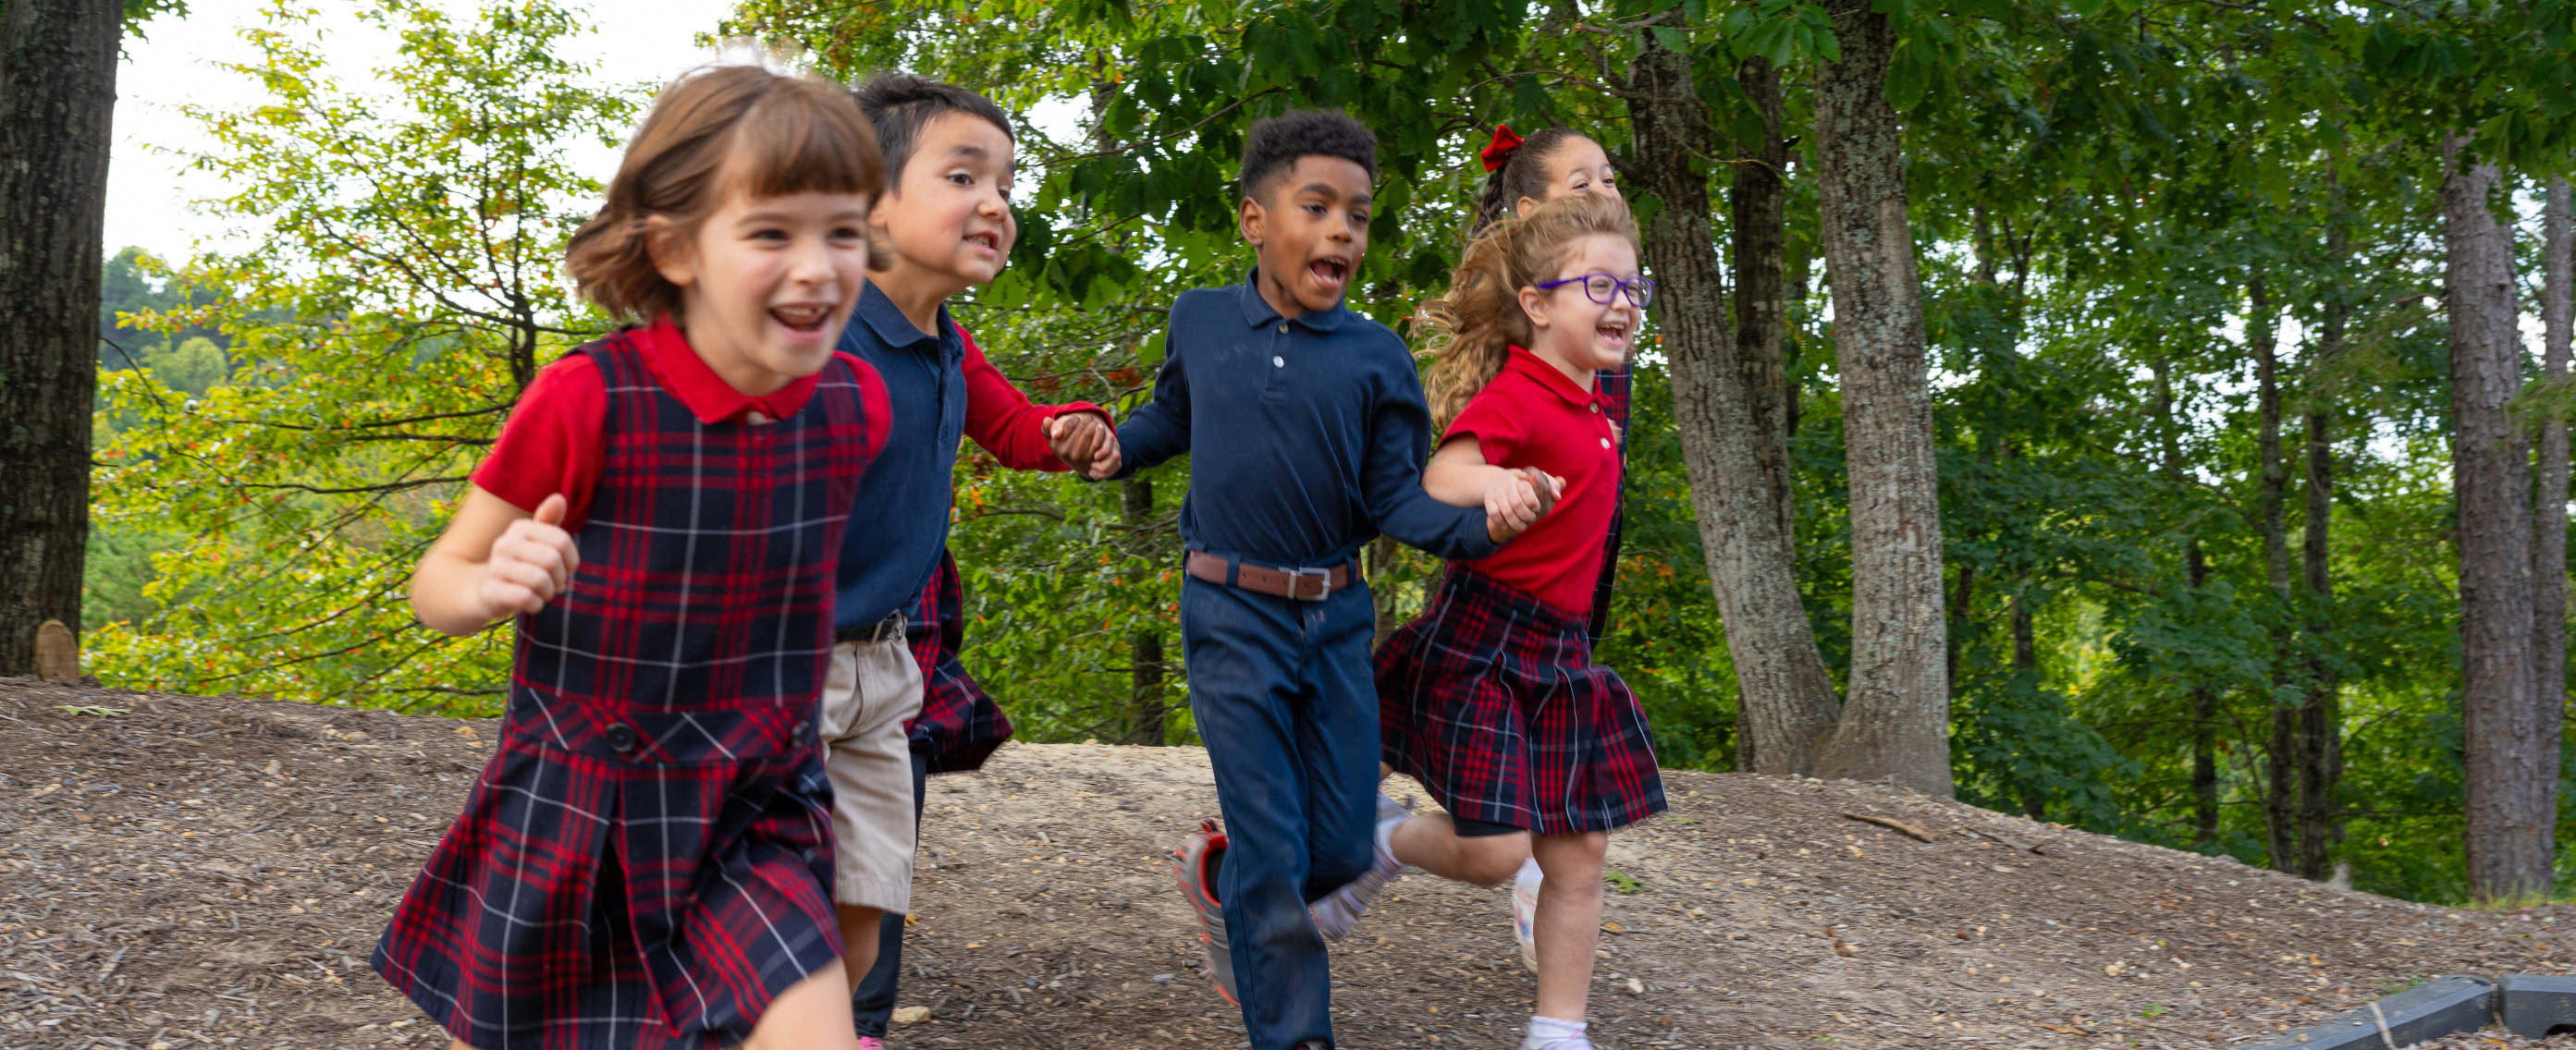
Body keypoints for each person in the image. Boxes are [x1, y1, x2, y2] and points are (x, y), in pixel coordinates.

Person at [373, 66, 893, 1050]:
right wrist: (489, 584)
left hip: (757, 801)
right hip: (584, 805)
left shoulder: (854, 404)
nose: (820, 266)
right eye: (772, 232)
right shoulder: (590, 398)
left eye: (844, 229)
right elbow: (436, 580)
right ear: (676, 246)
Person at [1095, 110, 1552, 1050]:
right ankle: (1294, 1030)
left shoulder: (1375, 358)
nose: (1342, 228)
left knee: (1340, 845)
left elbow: (1398, 501)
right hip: (1226, 611)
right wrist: (1103, 443)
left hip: (1335, 617)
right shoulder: (1201, 318)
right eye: (1318, 206)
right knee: (1272, 842)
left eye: (1359, 214)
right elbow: (1166, 417)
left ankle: (1224, 885)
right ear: (1255, 219)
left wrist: (1485, 523)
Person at [1319, 192, 1670, 1050]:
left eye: (1635, 286)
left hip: (1561, 657)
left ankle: (1559, 1033)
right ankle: (1385, 839)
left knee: (1580, 854)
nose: (1623, 301)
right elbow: (1443, 478)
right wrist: (1498, 487)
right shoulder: (1522, 393)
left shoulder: (1598, 405)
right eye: (1599, 284)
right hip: (1486, 644)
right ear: (1538, 305)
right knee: (1496, 854)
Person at [821, 71, 1120, 1047]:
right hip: (779, 660)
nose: (994, 203)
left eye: (1005, 183)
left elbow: (1016, 430)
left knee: (867, 891)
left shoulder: (948, 342)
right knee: (758, 894)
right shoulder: (816, 336)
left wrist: (1068, 429)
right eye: (961, 176)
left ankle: (848, 1024)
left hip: (889, 658)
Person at [1471, 126, 1636, 958]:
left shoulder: (1610, 319)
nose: (1606, 189)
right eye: (1584, 181)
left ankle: (1548, 865)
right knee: (1467, 754)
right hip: (1500, 584)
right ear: (1533, 212)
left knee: (1556, 711)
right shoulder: (1524, 327)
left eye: (1611, 177)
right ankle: (1352, 848)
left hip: (1570, 584)